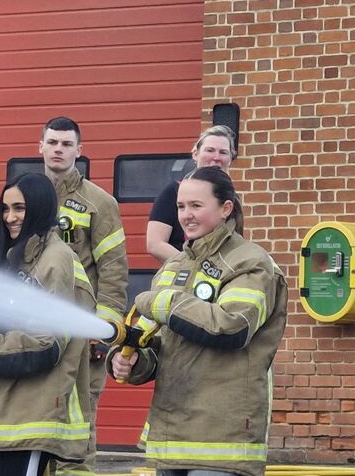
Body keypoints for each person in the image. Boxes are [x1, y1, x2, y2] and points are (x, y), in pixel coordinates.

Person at [109, 166, 287, 476]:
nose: (186, 215)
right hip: (173, 440)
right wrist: (136, 360)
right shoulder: (175, 264)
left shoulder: (251, 262)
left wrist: (164, 302)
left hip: (222, 441)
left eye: (196, 206)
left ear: (225, 209)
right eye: (180, 206)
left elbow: (231, 326)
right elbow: (165, 344)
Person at [0, 173, 97, 476]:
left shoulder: (56, 260)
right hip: (0, 414)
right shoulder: (11, 258)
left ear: (41, 208)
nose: (10, 217)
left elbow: (45, 343)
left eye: (19, 208)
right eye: (5, 209)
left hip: (31, 414)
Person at [39, 116, 129, 474]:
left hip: (80, 335)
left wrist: (105, 327)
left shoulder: (99, 203)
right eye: (52, 142)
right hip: (37, 332)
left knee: (78, 425)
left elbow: (114, 271)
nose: (58, 149)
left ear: (79, 150)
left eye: (66, 144)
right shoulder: (26, 195)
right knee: (37, 420)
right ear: (40, 147)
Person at [147, 125, 237, 264]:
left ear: (231, 158)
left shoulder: (233, 198)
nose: (216, 157)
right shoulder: (174, 191)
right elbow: (155, 244)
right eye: (210, 150)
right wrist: (194, 267)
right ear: (195, 154)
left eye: (223, 152)